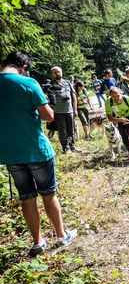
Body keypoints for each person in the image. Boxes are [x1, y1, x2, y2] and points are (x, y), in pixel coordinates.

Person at [0, 51, 77, 257]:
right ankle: (61, 235)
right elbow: (47, 116)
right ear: (23, 67)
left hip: (10, 153)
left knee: (26, 198)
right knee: (48, 194)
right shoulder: (28, 83)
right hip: (36, 149)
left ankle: (37, 242)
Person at [105, 87, 129, 160]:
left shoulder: (127, 99)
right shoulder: (108, 102)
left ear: (120, 93)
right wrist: (120, 120)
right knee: (124, 137)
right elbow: (110, 118)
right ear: (110, 96)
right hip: (120, 118)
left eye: (118, 96)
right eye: (114, 97)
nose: (116, 98)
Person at [49, 66, 80, 153]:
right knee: (62, 131)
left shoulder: (67, 82)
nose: (57, 74)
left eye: (58, 72)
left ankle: (72, 146)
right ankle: (66, 148)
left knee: (71, 130)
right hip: (58, 112)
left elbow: (74, 96)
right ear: (52, 74)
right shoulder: (50, 85)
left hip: (69, 111)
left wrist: (75, 110)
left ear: (61, 72)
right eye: (55, 72)